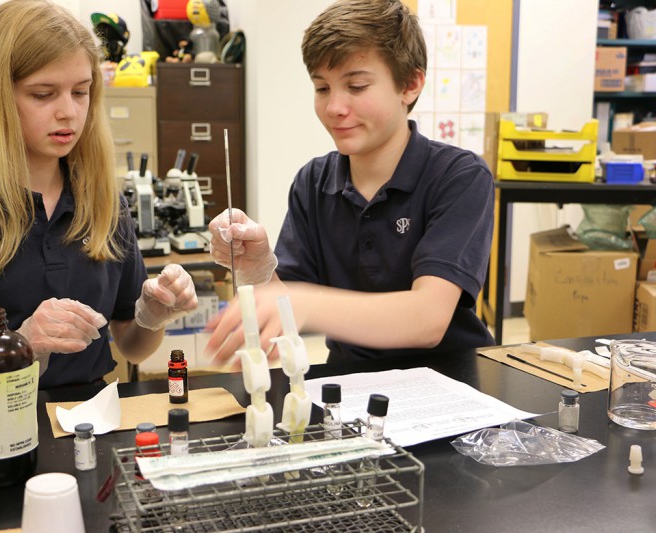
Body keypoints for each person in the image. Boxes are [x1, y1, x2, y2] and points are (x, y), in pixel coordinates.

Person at [0, 0, 198, 404]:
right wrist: (18, 347)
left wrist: (152, 315)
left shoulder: (102, 202)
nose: (68, 112)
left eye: (81, 92)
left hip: (86, 420)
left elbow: (131, 346)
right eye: (43, 94)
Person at [206, 0, 494, 366]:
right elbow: (285, 315)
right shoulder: (313, 182)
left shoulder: (459, 177)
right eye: (322, 88)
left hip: (452, 381)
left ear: (410, 84)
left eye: (356, 86)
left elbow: (427, 319)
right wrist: (258, 266)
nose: (334, 107)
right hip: (350, 384)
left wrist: (306, 301)